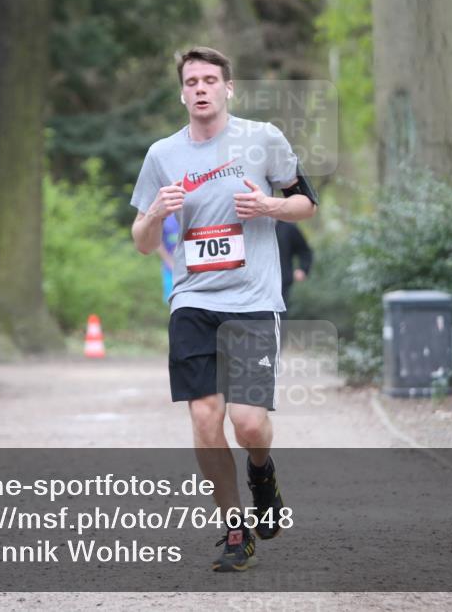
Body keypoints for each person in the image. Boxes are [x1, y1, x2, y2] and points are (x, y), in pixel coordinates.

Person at [130, 46, 318, 572]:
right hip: (191, 300)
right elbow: (142, 242)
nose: (201, 89)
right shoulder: (162, 155)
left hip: (254, 300)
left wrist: (270, 206)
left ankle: (263, 473)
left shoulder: (262, 139)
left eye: (210, 79)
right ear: (182, 92)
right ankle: (235, 529)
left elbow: (307, 201)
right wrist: (156, 216)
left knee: (249, 425)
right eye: (192, 82)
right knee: (205, 417)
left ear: (228, 88)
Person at [275, 220, 313, 312]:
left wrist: (303, 269)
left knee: (278, 319)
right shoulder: (249, 226)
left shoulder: (287, 227)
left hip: (281, 284)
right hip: (251, 284)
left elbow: (305, 251)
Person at [159, 214, 179, 302]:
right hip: (170, 269)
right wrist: (169, 262)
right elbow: (158, 242)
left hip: (192, 269)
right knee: (173, 301)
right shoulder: (165, 215)